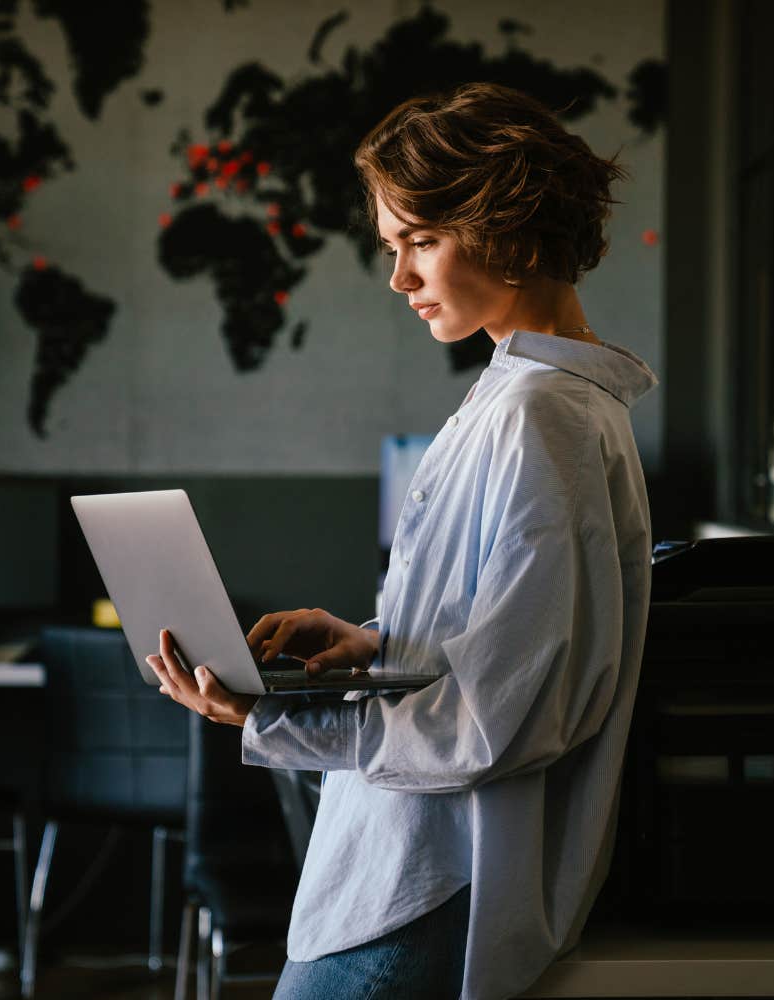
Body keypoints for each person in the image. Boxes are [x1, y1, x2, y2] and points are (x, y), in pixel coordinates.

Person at [147, 81, 659, 1000]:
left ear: (513, 224)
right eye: (394, 247)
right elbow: (507, 641)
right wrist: (374, 643)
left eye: (422, 240)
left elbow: (506, 715)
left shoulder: (545, 416)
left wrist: (274, 717)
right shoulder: (520, 399)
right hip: (409, 863)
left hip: (431, 877)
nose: (401, 279)